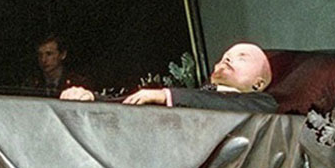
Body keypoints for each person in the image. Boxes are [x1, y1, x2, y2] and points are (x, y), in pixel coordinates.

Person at [60, 42, 278, 113]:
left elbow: (216, 104)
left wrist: (165, 95)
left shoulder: (261, 104)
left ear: (258, 83)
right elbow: (131, 103)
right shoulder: (196, 95)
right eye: (224, 57)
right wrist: (92, 98)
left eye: (242, 57)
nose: (227, 59)